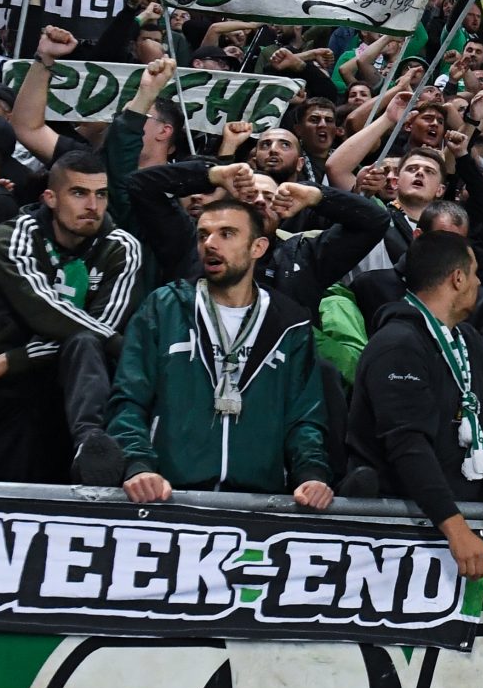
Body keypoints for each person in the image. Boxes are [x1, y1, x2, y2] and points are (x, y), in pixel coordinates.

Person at [0, 151, 143, 484]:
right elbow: (44, 312)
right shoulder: (14, 238)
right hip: (10, 397)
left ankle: (89, 443)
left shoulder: (121, 247)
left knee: (84, 344)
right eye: (79, 193)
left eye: (101, 194)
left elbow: (100, 331)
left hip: (80, 391)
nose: (93, 206)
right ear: (50, 197)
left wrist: (9, 360)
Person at [106, 199, 333, 505]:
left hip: (259, 506)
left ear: (258, 247)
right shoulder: (164, 307)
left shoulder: (290, 323)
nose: (210, 244)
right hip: (167, 497)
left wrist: (311, 475)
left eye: (226, 234)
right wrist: (137, 465)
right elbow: (128, 399)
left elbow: (304, 417)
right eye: (203, 235)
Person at [347, 231, 483, 580]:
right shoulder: (397, 344)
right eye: (476, 272)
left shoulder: (468, 339)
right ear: (458, 278)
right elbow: (408, 446)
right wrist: (454, 527)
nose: (480, 282)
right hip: (394, 535)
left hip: (452, 524)